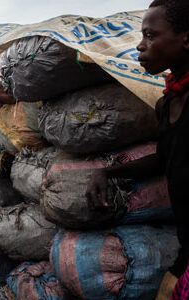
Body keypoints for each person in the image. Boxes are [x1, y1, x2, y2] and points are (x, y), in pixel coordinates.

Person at [86, 1, 189, 299]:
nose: (140, 47)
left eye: (151, 36)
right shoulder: (168, 102)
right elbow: (166, 158)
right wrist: (108, 172)